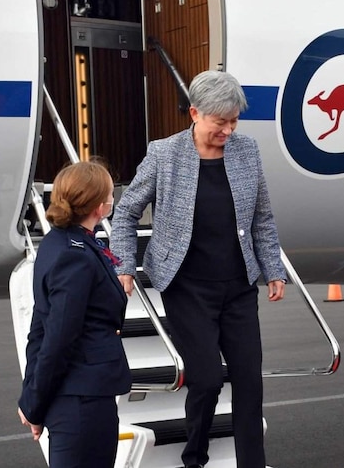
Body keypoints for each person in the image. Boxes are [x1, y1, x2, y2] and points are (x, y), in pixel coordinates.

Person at [110, 70, 286, 468]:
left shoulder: (247, 151)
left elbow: (262, 218)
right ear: (194, 113)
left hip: (238, 287)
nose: (228, 129)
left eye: (233, 121)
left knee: (249, 382)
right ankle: (195, 458)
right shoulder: (164, 153)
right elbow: (125, 213)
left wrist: (273, 269)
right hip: (187, 287)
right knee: (206, 379)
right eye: (219, 121)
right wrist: (124, 265)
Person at [17, 161, 131, 468]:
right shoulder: (75, 256)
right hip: (82, 397)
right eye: (109, 195)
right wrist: (34, 405)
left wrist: (32, 399)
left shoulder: (58, 243)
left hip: (75, 394)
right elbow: (58, 337)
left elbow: (40, 328)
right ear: (99, 206)